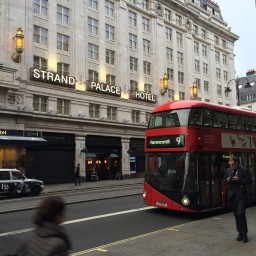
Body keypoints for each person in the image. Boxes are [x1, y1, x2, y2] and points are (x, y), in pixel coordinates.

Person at [224, 156, 252, 243]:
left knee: (241, 214)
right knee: (236, 215)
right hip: (232, 196)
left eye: (233, 164)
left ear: (236, 163)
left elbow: (250, 181)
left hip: (241, 196)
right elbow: (224, 180)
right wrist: (227, 179)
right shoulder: (228, 170)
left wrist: (239, 179)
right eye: (230, 164)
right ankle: (239, 233)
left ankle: (244, 234)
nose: (231, 166)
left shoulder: (244, 170)